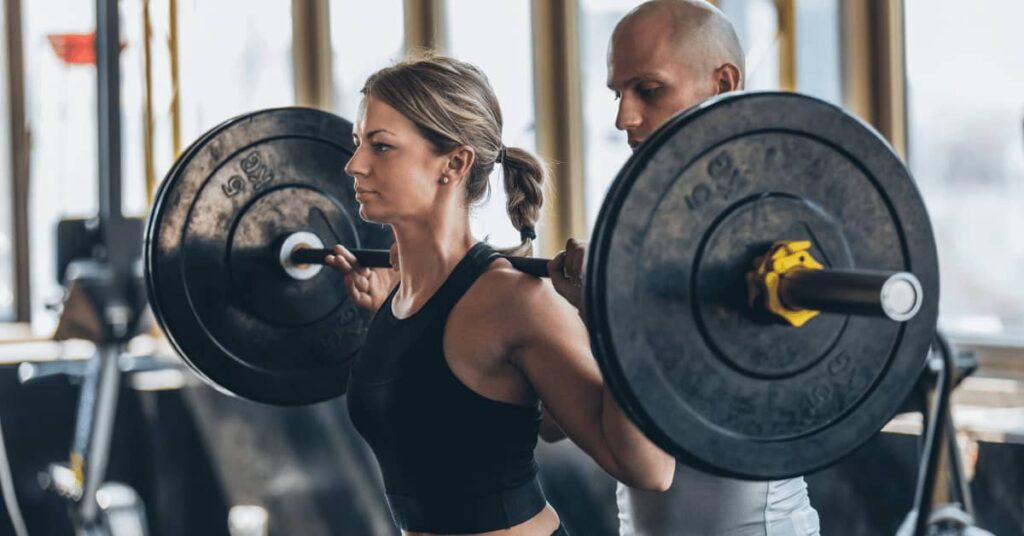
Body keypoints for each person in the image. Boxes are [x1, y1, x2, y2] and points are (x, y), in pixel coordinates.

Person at [324, 55, 675, 536]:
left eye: (381, 147)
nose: (354, 164)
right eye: (359, 142)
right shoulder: (402, 295)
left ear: (454, 163)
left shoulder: (513, 300)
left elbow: (651, 470)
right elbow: (502, 421)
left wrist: (611, 317)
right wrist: (387, 324)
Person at [547, 1, 822, 535]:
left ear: (722, 85)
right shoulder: (637, 226)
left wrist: (609, 310)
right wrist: (583, 313)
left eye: (648, 90)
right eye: (617, 94)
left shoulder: (779, 223)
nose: (624, 118)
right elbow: (560, 425)